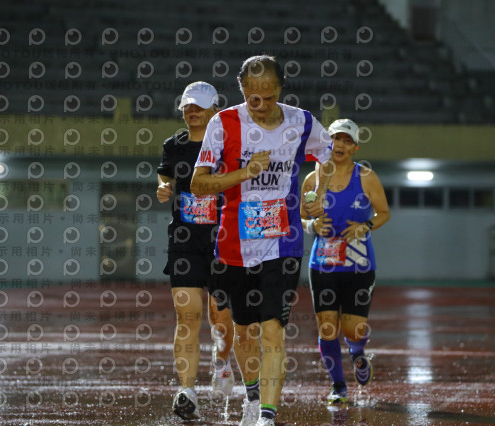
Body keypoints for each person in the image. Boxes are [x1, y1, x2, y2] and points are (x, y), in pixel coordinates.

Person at [190, 55, 334, 426]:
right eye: (253, 98)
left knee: (273, 330)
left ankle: (266, 416)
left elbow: (327, 156)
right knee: (244, 332)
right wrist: (244, 173)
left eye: (269, 97)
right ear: (241, 90)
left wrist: (318, 191)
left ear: (280, 89)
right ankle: (252, 396)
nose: (261, 105)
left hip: (282, 241)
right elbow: (198, 184)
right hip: (234, 244)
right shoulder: (223, 124)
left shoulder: (302, 122)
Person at [156, 81, 235, 421]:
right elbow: (164, 178)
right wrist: (163, 188)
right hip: (184, 241)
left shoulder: (229, 145)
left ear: (215, 110)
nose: (192, 111)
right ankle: (187, 391)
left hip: (223, 241)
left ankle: (222, 358)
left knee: (220, 316)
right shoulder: (173, 146)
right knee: (187, 316)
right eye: (188, 105)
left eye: (200, 106)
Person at [300, 118, 390, 405]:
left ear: (355, 148)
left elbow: (383, 212)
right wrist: (312, 226)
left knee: (353, 329)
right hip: (323, 264)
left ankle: (357, 352)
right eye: (335, 139)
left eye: (346, 141)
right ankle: (338, 385)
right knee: (327, 327)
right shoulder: (313, 179)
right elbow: (300, 217)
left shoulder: (366, 177)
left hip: (358, 264)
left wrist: (366, 226)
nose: (339, 145)